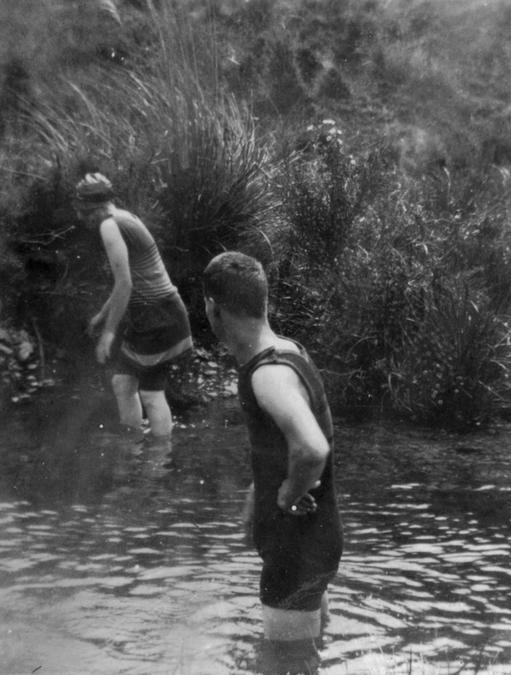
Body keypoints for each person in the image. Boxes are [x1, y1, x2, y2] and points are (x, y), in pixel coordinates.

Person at [202, 251, 342, 674]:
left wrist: (284, 497)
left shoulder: (268, 374)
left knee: (285, 665)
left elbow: (312, 448)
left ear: (214, 309)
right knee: (308, 655)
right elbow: (301, 442)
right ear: (263, 301)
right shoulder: (289, 350)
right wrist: (257, 492)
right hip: (316, 540)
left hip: (294, 551)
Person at [74, 172, 192, 439]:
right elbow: (128, 282)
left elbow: (125, 283)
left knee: (151, 393)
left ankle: (160, 457)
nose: (81, 217)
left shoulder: (109, 225)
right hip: (157, 314)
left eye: (82, 210)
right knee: (123, 383)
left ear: (92, 207)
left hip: (158, 315)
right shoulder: (123, 217)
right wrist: (102, 315)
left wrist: (108, 333)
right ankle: (133, 446)